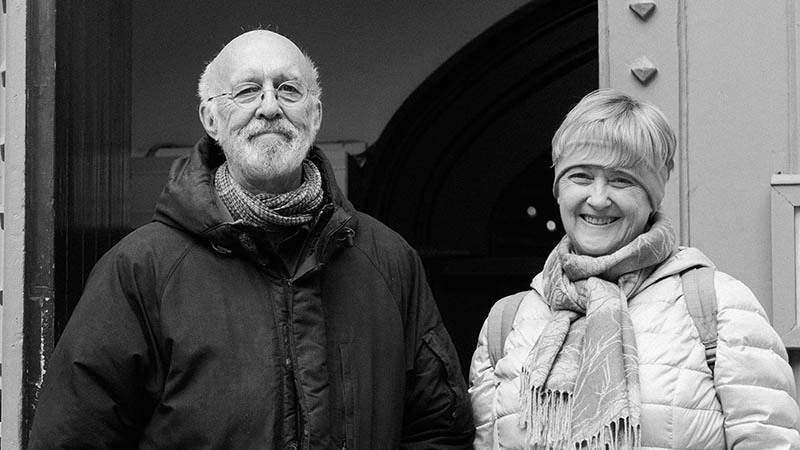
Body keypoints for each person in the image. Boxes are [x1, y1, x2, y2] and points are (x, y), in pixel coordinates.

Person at [29, 29, 474, 449]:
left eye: (289, 90)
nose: (269, 107)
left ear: (314, 115)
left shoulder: (389, 260)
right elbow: (73, 437)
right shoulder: (140, 269)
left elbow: (439, 429)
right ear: (211, 118)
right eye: (246, 91)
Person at [469, 89, 800, 449]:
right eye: (580, 176)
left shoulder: (718, 308)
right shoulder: (507, 322)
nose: (597, 198)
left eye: (621, 180)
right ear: (558, 190)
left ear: (651, 195)